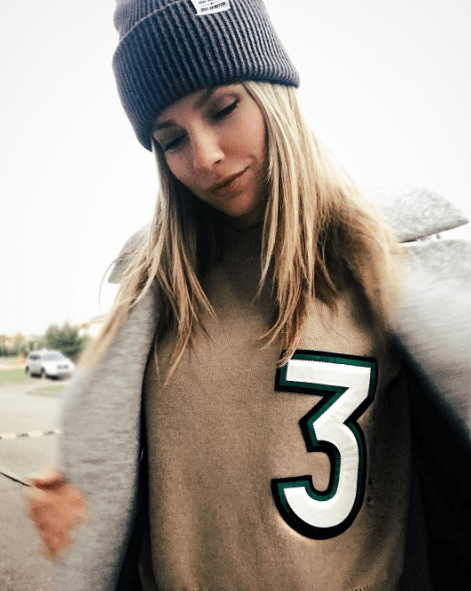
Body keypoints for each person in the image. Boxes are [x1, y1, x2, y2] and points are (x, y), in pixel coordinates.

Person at [26, 1, 471, 590]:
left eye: (223, 108)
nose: (205, 156)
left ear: (273, 93)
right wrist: (88, 505)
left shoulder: (389, 265)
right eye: (170, 139)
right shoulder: (155, 294)